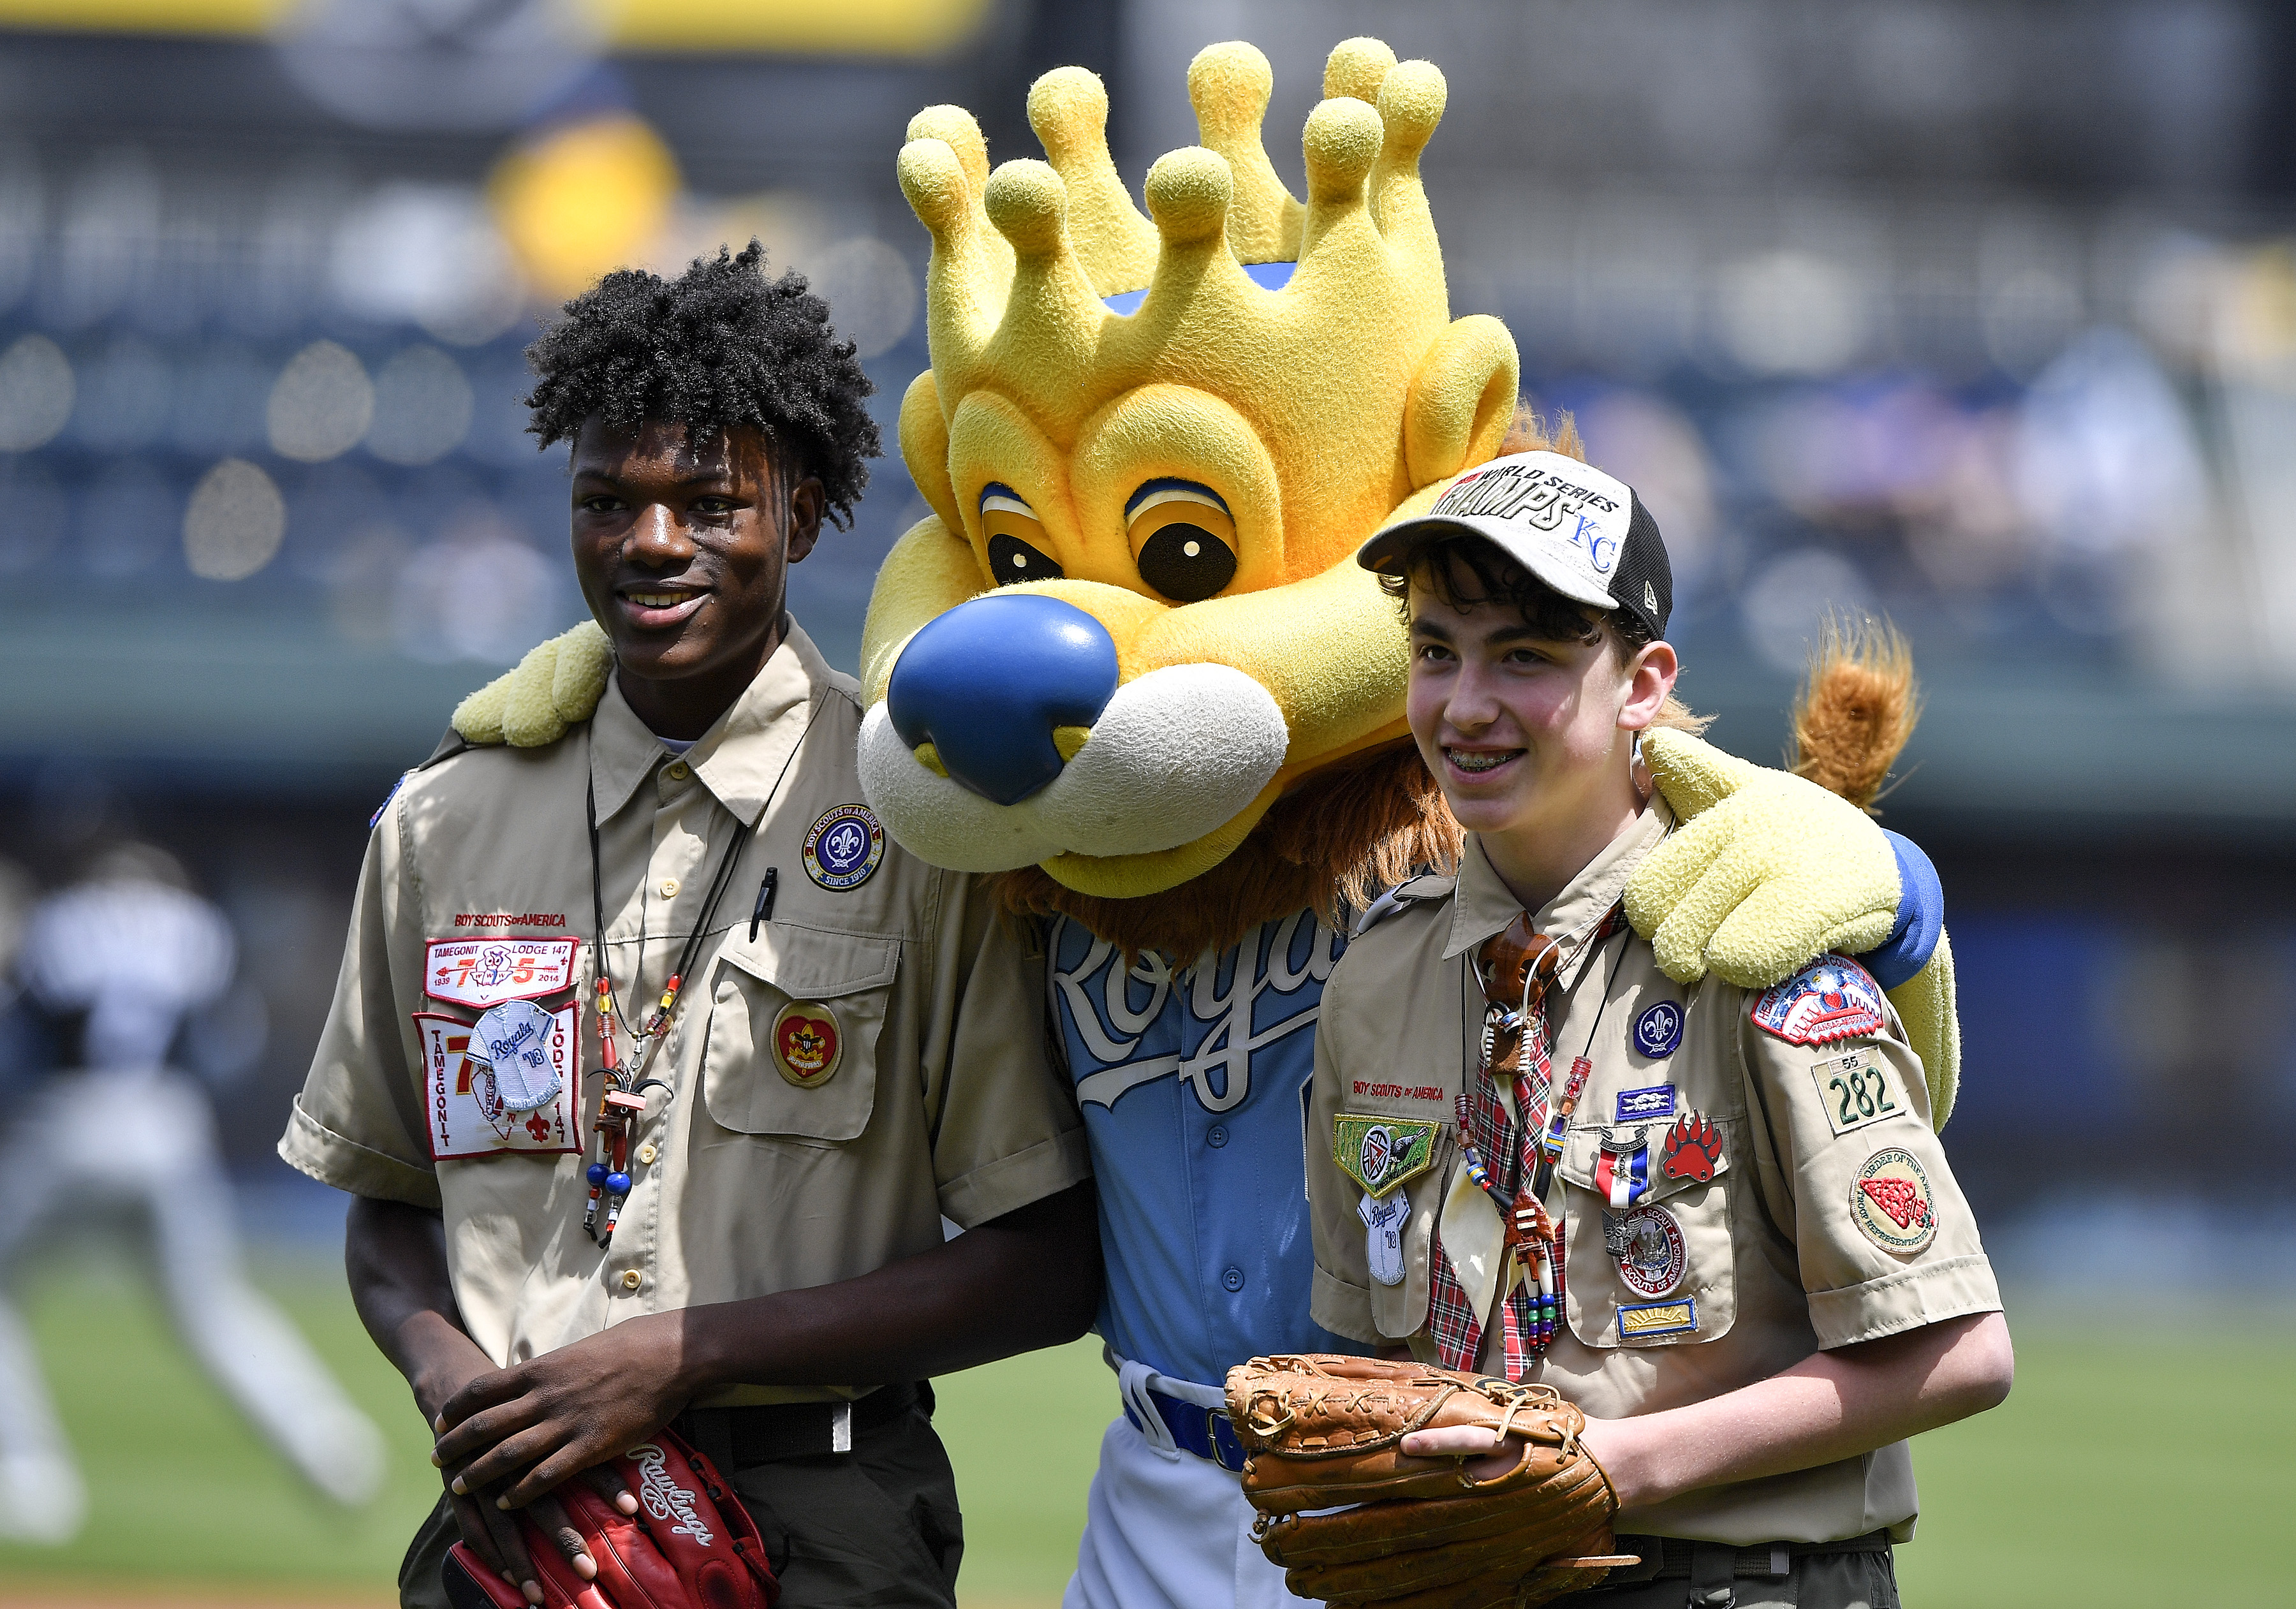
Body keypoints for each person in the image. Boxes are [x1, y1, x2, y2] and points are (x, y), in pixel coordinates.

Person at [280, 244, 1100, 1609]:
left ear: (808, 509)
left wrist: (686, 1352)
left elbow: (1046, 1262)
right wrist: (456, 1380)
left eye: (708, 503)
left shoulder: (922, 816)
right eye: (608, 500)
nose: (650, 542)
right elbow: (387, 1211)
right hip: (523, 1526)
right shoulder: (443, 819)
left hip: (824, 1531)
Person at [1306, 448, 2013, 1608]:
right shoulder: (1379, 973)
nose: (1465, 703)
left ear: (1643, 683)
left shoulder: (1760, 942)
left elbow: (1959, 1350)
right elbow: (1366, 1346)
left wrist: (1606, 1467)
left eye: (1524, 656)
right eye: (1437, 650)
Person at [0, 842, 384, 1543]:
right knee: (211, 1304)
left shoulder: (56, 920)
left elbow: (17, 1038)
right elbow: (230, 1045)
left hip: (67, 1117)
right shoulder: (197, 926)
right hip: (168, 1120)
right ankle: (328, 1443)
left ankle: (32, 1481)